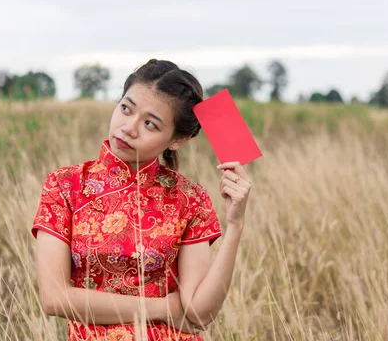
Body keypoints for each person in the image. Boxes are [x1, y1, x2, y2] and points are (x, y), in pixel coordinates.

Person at [31, 59, 252, 340]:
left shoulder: (190, 198)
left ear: (177, 140)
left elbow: (198, 315)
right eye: (126, 109)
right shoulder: (65, 185)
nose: (129, 128)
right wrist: (162, 307)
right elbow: (54, 298)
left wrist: (235, 225)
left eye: (150, 123)